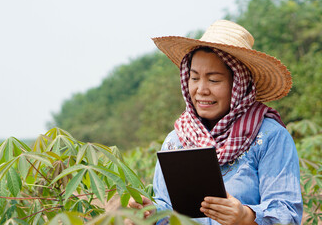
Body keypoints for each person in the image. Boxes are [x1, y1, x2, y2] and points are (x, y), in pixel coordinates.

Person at [128, 20, 303, 225]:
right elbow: (168, 209)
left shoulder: (269, 137)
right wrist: (151, 213)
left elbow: (288, 214)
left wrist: (245, 216)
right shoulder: (176, 141)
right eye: (194, 78)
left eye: (214, 80)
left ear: (238, 83)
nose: (201, 89)